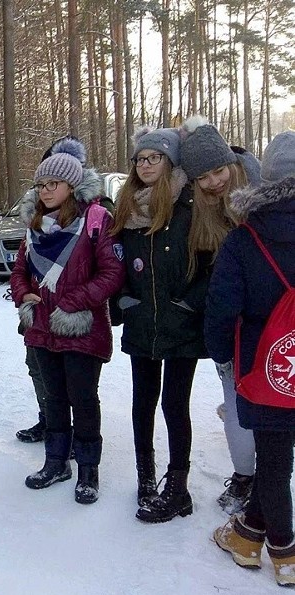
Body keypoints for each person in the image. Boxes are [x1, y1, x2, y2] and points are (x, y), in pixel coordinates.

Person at [10, 145, 125, 503]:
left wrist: (74, 301)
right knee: (54, 397)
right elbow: (20, 271)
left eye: (53, 183)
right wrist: (23, 294)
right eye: (41, 183)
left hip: (81, 326)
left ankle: (88, 469)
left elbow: (112, 272)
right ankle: (56, 461)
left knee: (83, 398)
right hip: (41, 327)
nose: (45, 190)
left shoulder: (95, 220)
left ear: (72, 186)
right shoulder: (34, 225)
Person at [206, 131, 295, 587]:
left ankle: (286, 553)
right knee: (281, 459)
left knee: (275, 459)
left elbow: (222, 307)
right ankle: (245, 534)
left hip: (264, 366)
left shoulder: (245, 238)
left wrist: (224, 357)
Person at [111, 127, 207, 523]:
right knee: (143, 401)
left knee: (174, 404)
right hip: (141, 319)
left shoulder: (190, 204)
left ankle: (178, 487)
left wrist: (189, 303)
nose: (146, 165)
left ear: (169, 161)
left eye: (155, 158)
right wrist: (120, 300)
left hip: (180, 321)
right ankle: (145, 476)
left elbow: (212, 261)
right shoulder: (126, 204)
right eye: (140, 158)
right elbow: (113, 262)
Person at [179, 117, 260, 513]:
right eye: (203, 176)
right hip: (231, 322)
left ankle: (270, 476)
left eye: (218, 170)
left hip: (271, 320)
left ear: (232, 162)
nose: (213, 181)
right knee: (236, 399)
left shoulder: (262, 193)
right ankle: (246, 475)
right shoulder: (201, 214)